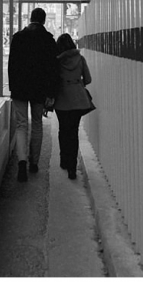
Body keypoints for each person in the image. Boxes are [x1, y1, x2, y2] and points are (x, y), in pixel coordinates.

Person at [7, 8, 60, 182]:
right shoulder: (48, 40)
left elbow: (11, 65)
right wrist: (51, 93)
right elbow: (53, 69)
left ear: (30, 19)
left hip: (20, 89)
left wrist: (13, 88)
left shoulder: (18, 37)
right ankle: (34, 163)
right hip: (39, 90)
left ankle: (22, 162)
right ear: (44, 21)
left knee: (22, 125)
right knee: (37, 123)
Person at [52, 33, 95, 180]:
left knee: (63, 130)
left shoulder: (57, 62)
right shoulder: (80, 59)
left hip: (62, 100)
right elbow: (88, 79)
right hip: (78, 100)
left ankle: (64, 160)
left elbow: (53, 81)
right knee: (73, 132)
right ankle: (72, 168)